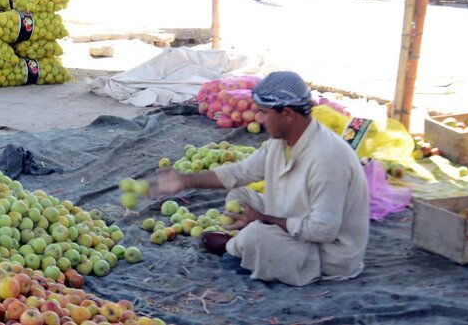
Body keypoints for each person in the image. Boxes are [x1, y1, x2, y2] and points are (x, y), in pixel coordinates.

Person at [153, 71, 370, 287]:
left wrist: (265, 219)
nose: (260, 119)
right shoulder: (282, 141)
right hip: (296, 218)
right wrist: (184, 180)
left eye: (264, 113)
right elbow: (239, 173)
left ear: (287, 114)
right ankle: (248, 246)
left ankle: (241, 247)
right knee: (239, 196)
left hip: (326, 253)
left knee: (255, 236)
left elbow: (323, 230)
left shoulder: (327, 159)